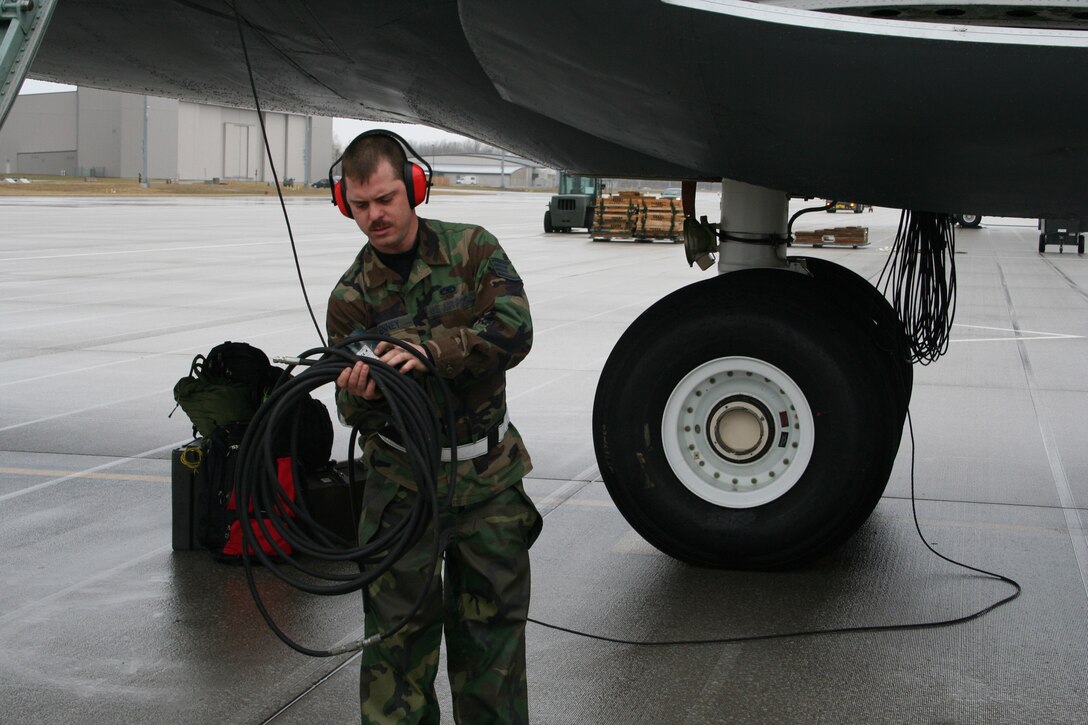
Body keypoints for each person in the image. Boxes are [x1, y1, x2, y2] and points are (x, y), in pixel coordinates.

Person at [326, 131, 540, 724]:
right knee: (396, 655)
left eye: (386, 198)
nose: (375, 215)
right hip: (402, 489)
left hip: (487, 482)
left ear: (415, 186)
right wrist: (362, 394)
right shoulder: (350, 296)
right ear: (345, 203)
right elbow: (358, 416)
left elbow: (514, 331)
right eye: (361, 204)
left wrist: (430, 351)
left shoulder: (473, 249)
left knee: (491, 652)